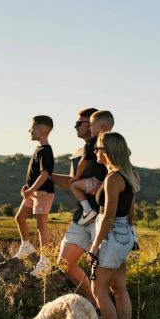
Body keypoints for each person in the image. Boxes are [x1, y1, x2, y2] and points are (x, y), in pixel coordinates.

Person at [87, 131, 140, 319]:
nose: (95, 152)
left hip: (111, 235)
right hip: (124, 235)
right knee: (119, 289)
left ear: (108, 151)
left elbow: (108, 216)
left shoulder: (112, 178)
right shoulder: (128, 176)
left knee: (98, 290)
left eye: (98, 148)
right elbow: (130, 210)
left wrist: (95, 246)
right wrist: (132, 235)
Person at [52, 108, 107, 302]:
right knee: (65, 262)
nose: (75, 126)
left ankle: (106, 315)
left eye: (79, 123)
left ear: (92, 124)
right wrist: (45, 177)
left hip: (103, 215)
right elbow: (72, 181)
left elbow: (121, 175)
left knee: (100, 269)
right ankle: (96, 303)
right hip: (83, 215)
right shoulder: (77, 153)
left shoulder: (106, 146)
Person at [14, 115, 55, 277]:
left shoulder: (46, 151)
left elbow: (44, 175)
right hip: (33, 192)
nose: (29, 130)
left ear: (42, 130)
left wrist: (31, 190)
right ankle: (26, 247)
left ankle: (46, 261)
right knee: (20, 218)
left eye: (32, 128)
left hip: (43, 193)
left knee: (41, 226)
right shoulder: (38, 149)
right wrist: (29, 188)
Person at [70, 110, 115, 225]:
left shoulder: (90, 143)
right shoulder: (113, 142)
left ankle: (87, 210)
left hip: (95, 182)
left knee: (74, 185)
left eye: (91, 125)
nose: (90, 128)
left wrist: (76, 177)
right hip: (107, 184)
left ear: (102, 127)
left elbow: (82, 163)